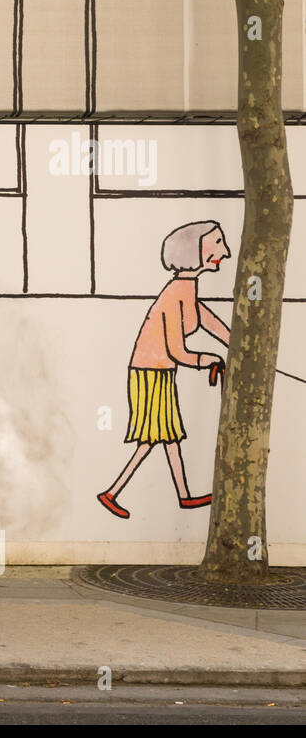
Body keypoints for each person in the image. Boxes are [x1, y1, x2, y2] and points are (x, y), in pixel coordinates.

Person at [96, 220, 232, 519]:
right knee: (156, 437)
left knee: (166, 437)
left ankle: (181, 496)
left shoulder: (187, 289)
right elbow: (178, 351)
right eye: (218, 243)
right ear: (195, 250)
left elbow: (208, 321)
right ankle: (115, 492)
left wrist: (236, 346)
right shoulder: (176, 293)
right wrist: (208, 359)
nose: (226, 251)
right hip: (150, 373)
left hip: (159, 371)